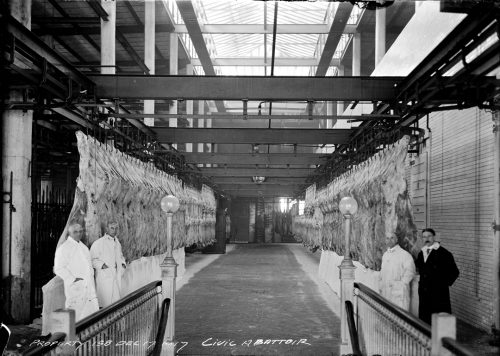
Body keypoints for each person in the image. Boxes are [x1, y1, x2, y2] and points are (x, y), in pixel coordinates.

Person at [53, 222, 99, 321]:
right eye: (75, 232)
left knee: (90, 317)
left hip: (89, 287)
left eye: (80, 231)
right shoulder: (64, 248)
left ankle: (87, 336)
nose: (78, 234)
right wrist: (73, 279)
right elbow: (58, 268)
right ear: (70, 233)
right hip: (76, 288)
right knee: (76, 317)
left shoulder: (84, 247)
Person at [416, 228, 459, 324]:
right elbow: (420, 270)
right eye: (424, 237)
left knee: (439, 320)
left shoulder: (444, 254)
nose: (426, 239)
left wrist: (441, 285)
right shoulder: (421, 253)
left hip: (438, 295)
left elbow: (455, 272)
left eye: (429, 236)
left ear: (434, 237)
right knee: (425, 320)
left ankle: (440, 338)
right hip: (424, 293)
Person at [90, 221, 127, 308]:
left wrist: (122, 264)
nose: (114, 230)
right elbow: (92, 260)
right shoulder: (99, 243)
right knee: (105, 303)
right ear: (107, 228)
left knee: (116, 303)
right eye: (112, 228)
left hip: (116, 276)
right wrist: (102, 265)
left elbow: (121, 256)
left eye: (116, 228)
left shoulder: (118, 243)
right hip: (104, 277)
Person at [379, 232, 416, 311]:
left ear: (396, 240)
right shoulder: (385, 255)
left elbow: (410, 271)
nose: (389, 240)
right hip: (386, 293)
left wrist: (401, 284)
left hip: (399, 294)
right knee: (387, 316)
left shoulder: (404, 255)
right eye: (387, 238)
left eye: (392, 238)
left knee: (400, 318)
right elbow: (382, 273)